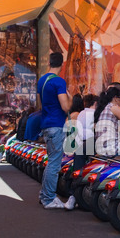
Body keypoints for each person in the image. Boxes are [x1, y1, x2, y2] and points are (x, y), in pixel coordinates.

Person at [37, 52, 72, 209]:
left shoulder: (42, 80)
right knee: (54, 164)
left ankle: (44, 195)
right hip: (56, 125)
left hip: (45, 124)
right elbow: (65, 106)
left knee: (51, 162)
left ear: (49, 63)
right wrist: (71, 98)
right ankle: (49, 199)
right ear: (62, 64)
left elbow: (40, 104)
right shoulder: (59, 81)